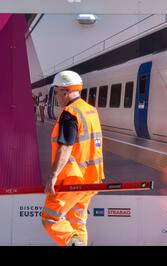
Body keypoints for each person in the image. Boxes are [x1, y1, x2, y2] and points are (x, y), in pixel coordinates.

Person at [41, 70, 104, 246]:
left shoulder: (69, 113)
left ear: (64, 91)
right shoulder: (91, 110)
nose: (57, 98)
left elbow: (66, 147)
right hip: (92, 179)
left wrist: (52, 177)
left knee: (50, 218)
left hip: (73, 180)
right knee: (77, 223)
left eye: (56, 93)